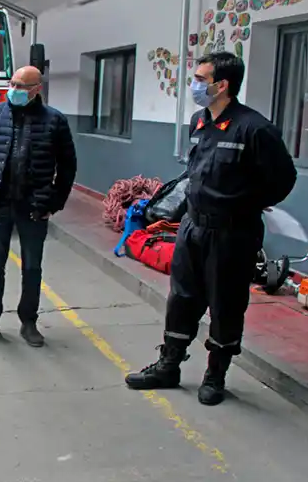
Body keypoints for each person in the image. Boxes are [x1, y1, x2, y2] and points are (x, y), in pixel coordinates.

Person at [125, 52, 297, 406]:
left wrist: (243, 203)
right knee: (182, 299)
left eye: (201, 79)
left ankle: (215, 376)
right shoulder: (199, 121)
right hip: (192, 228)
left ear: (223, 85)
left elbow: (283, 180)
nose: (195, 85)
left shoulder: (255, 129)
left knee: (226, 304)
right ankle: (168, 365)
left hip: (233, 234)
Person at [0, 65, 77, 347]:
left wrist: (54, 201)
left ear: (37, 89)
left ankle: (29, 323)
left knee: (32, 268)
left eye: (21, 86)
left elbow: (67, 166)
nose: (13, 90)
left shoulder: (55, 121)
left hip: (34, 207)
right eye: (12, 83)